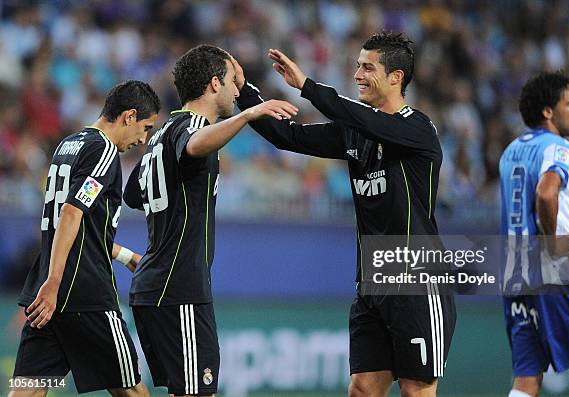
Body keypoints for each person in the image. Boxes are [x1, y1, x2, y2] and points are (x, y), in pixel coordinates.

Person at [232, 31, 456, 397]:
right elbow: (287, 136)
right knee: (363, 389)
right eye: (357, 66)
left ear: (396, 77)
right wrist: (245, 93)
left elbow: (365, 119)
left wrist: (306, 85)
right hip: (372, 279)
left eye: (368, 68)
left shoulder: (417, 128)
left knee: (417, 390)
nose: (357, 75)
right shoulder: (355, 134)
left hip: (417, 278)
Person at [122, 44, 297, 397]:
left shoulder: (160, 133)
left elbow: (132, 195)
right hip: (179, 289)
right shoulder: (191, 128)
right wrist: (248, 116)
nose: (238, 92)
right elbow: (194, 146)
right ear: (215, 84)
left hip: (155, 285)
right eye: (234, 82)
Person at [10, 80, 161, 397]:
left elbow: (82, 229)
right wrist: (55, 282)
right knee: (130, 389)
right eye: (145, 128)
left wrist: (123, 255)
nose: (143, 139)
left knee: (28, 389)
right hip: (84, 292)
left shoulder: (68, 144)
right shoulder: (104, 150)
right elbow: (71, 212)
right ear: (129, 116)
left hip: (49, 294)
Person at [499, 71, 569, 397]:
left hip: (515, 273)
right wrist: (560, 252)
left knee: (527, 379)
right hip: (555, 270)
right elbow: (547, 193)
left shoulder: (510, 152)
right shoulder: (559, 148)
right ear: (548, 111)